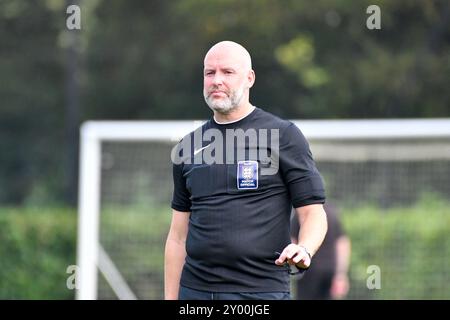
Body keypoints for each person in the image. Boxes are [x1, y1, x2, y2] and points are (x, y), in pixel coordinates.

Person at [164, 40, 328, 300]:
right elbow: (177, 237)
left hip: (261, 293)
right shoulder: (189, 146)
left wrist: (305, 249)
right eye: (210, 73)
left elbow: (313, 214)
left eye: (227, 72)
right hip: (196, 293)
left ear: (249, 78)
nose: (216, 80)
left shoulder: (283, 136)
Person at [290, 203, 351, 300]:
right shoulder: (332, 213)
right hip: (330, 269)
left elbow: (292, 241)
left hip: (308, 269)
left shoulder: (304, 213)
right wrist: (340, 274)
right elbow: (342, 244)